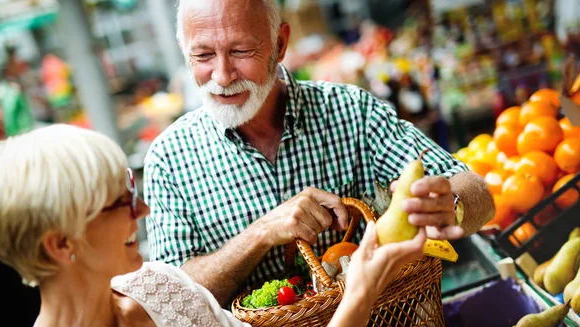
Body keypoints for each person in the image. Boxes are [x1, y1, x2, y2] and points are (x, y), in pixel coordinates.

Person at [0, 124, 426, 327]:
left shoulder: (162, 285)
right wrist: (360, 294)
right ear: (61, 245)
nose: (143, 211)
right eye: (121, 202)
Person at [144, 0, 495, 306]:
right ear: (183, 49)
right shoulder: (169, 160)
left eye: (240, 51)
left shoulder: (351, 111)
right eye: (203, 55)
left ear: (280, 44)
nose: (221, 76)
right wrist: (260, 234)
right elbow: (175, 301)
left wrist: (452, 204)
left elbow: (479, 195)